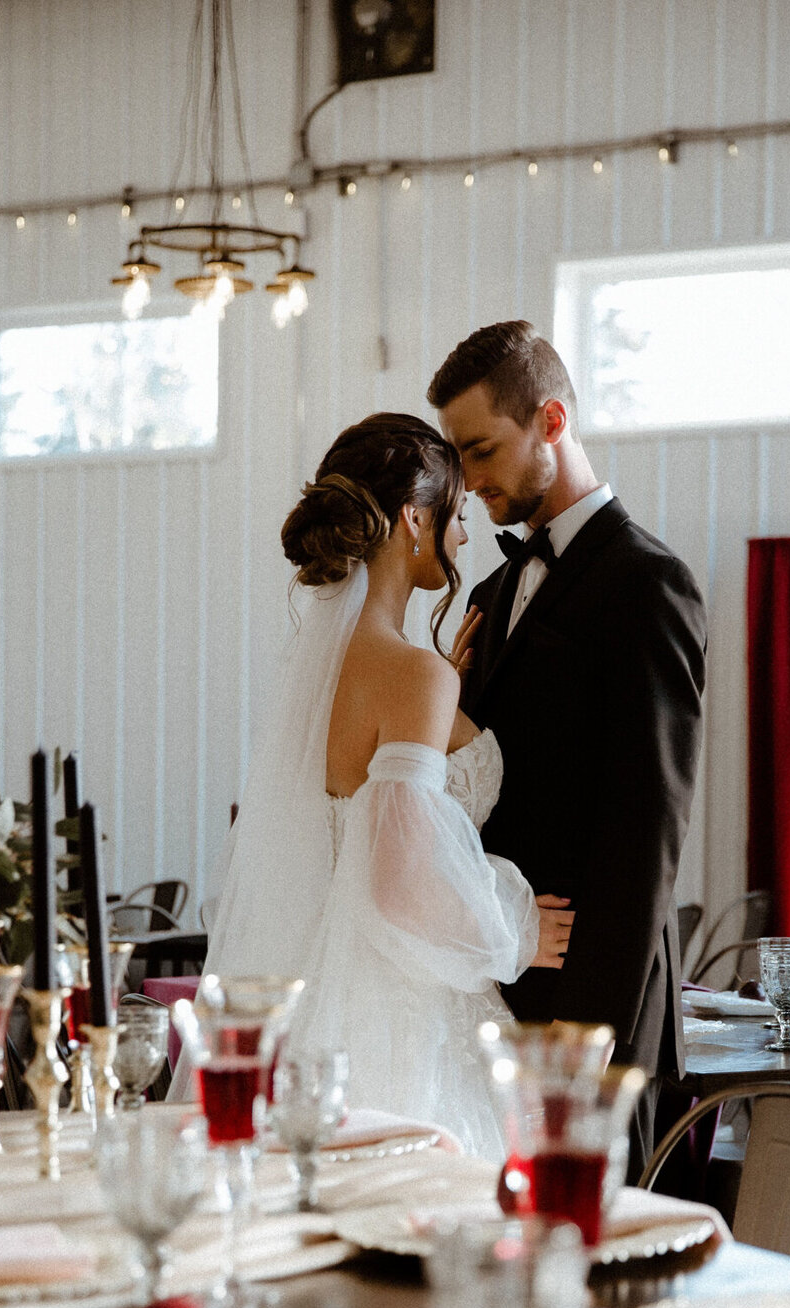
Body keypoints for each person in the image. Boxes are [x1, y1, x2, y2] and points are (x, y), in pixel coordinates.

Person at [178, 412, 573, 1158]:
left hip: (328, 993)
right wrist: (515, 926)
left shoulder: (331, 674)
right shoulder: (412, 674)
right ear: (412, 519)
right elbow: (398, 880)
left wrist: (442, 697)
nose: (462, 538)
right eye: (455, 517)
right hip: (402, 1008)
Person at [428, 321, 707, 1176]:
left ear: (551, 421)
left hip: (587, 1019)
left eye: (481, 452)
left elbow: (644, 833)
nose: (468, 484)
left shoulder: (647, 583)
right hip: (500, 989)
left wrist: (583, 1040)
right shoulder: (496, 586)